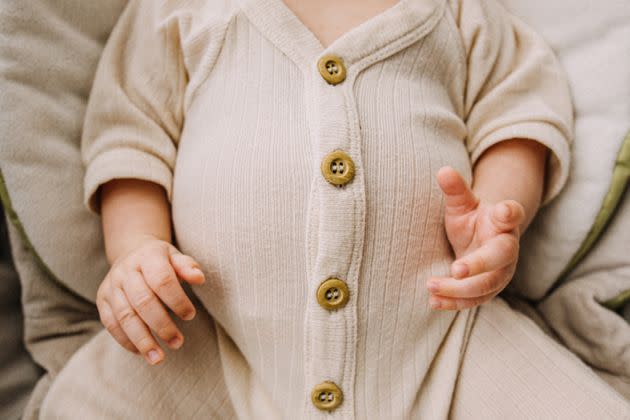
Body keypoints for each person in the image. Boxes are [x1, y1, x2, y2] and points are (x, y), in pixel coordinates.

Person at [40, 0, 630, 418]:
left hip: (443, 338)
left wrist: (498, 214)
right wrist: (137, 251)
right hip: (214, 341)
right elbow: (130, 143)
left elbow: (516, 114)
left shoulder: (457, 13)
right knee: (79, 405)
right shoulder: (182, 10)